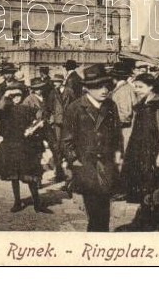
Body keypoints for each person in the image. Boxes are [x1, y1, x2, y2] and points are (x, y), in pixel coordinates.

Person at [61, 64, 123, 232]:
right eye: (98, 86)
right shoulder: (74, 108)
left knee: (105, 212)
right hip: (86, 167)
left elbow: (117, 135)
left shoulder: (111, 106)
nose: (104, 90)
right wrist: (75, 162)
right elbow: (66, 141)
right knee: (95, 213)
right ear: (87, 88)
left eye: (106, 86)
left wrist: (118, 159)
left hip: (107, 166)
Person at [121, 73, 159, 230]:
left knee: (158, 184)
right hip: (139, 149)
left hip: (153, 149)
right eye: (136, 87)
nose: (137, 90)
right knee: (144, 182)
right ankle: (146, 217)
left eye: (140, 87)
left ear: (151, 87)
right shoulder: (142, 103)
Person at [0, 83, 51, 213]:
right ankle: (17, 202)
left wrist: (36, 126)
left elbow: (40, 115)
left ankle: (37, 204)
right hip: (11, 146)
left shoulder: (27, 109)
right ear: (10, 98)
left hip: (26, 147)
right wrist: (4, 96)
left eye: (18, 95)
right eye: (13, 96)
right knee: (14, 176)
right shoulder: (6, 110)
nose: (16, 98)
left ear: (22, 96)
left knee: (30, 175)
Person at [110, 61, 137, 152]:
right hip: (125, 130)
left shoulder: (123, 91)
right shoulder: (125, 88)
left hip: (125, 131)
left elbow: (125, 115)